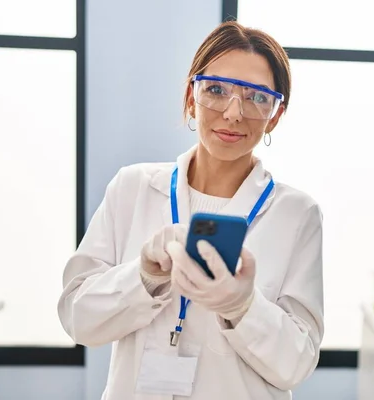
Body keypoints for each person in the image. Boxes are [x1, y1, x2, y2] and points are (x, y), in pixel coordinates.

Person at [58, 21, 324, 400]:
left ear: (275, 115)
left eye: (257, 97)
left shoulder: (297, 215)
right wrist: (144, 277)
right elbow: (78, 320)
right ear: (190, 97)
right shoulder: (132, 188)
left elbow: (297, 364)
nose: (234, 112)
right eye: (216, 90)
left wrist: (243, 306)